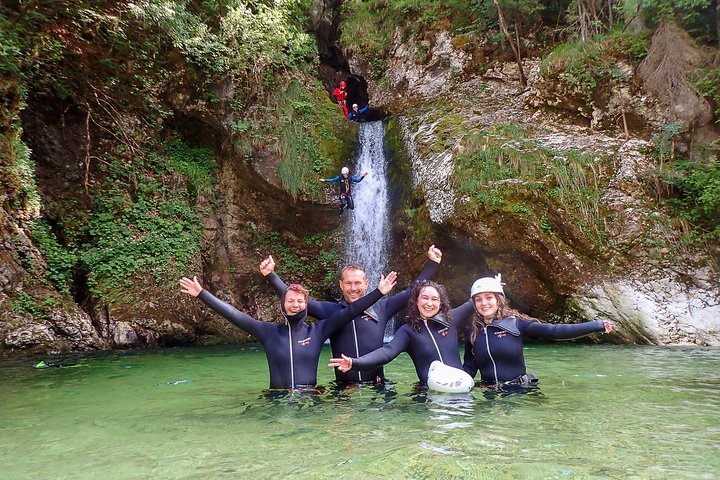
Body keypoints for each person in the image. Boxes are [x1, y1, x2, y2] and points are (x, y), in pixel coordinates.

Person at [179, 268, 397, 390]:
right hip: (276, 399)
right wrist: (202, 294)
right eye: (290, 301)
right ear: (282, 303)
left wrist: (378, 292)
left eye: (300, 301)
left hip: (311, 398)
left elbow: (350, 311)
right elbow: (235, 316)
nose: (295, 305)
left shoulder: (318, 331)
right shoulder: (268, 332)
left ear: (306, 304)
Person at [262, 245, 443, 385]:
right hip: (344, 388)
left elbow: (412, 290)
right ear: (341, 285)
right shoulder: (329, 311)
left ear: (366, 283)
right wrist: (271, 275)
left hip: (377, 386)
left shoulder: (383, 307)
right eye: (348, 283)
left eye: (358, 283)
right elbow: (295, 298)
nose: (353, 288)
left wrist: (432, 263)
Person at [462, 274, 613, 388]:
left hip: (520, 391)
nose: (484, 303)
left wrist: (596, 325)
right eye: (479, 299)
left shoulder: (516, 323)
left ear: (499, 300)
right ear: (474, 304)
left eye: (489, 297)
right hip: (490, 393)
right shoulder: (473, 332)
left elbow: (555, 331)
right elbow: (469, 368)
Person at [328, 280, 475, 386]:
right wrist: (355, 363)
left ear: (441, 303)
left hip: (461, 388)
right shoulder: (408, 331)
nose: (429, 303)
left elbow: (477, 301)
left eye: (434, 299)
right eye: (424, 298)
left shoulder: (452, 319)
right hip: (429, 392)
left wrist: (494, 287)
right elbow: (387, 352)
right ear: (416, 301)